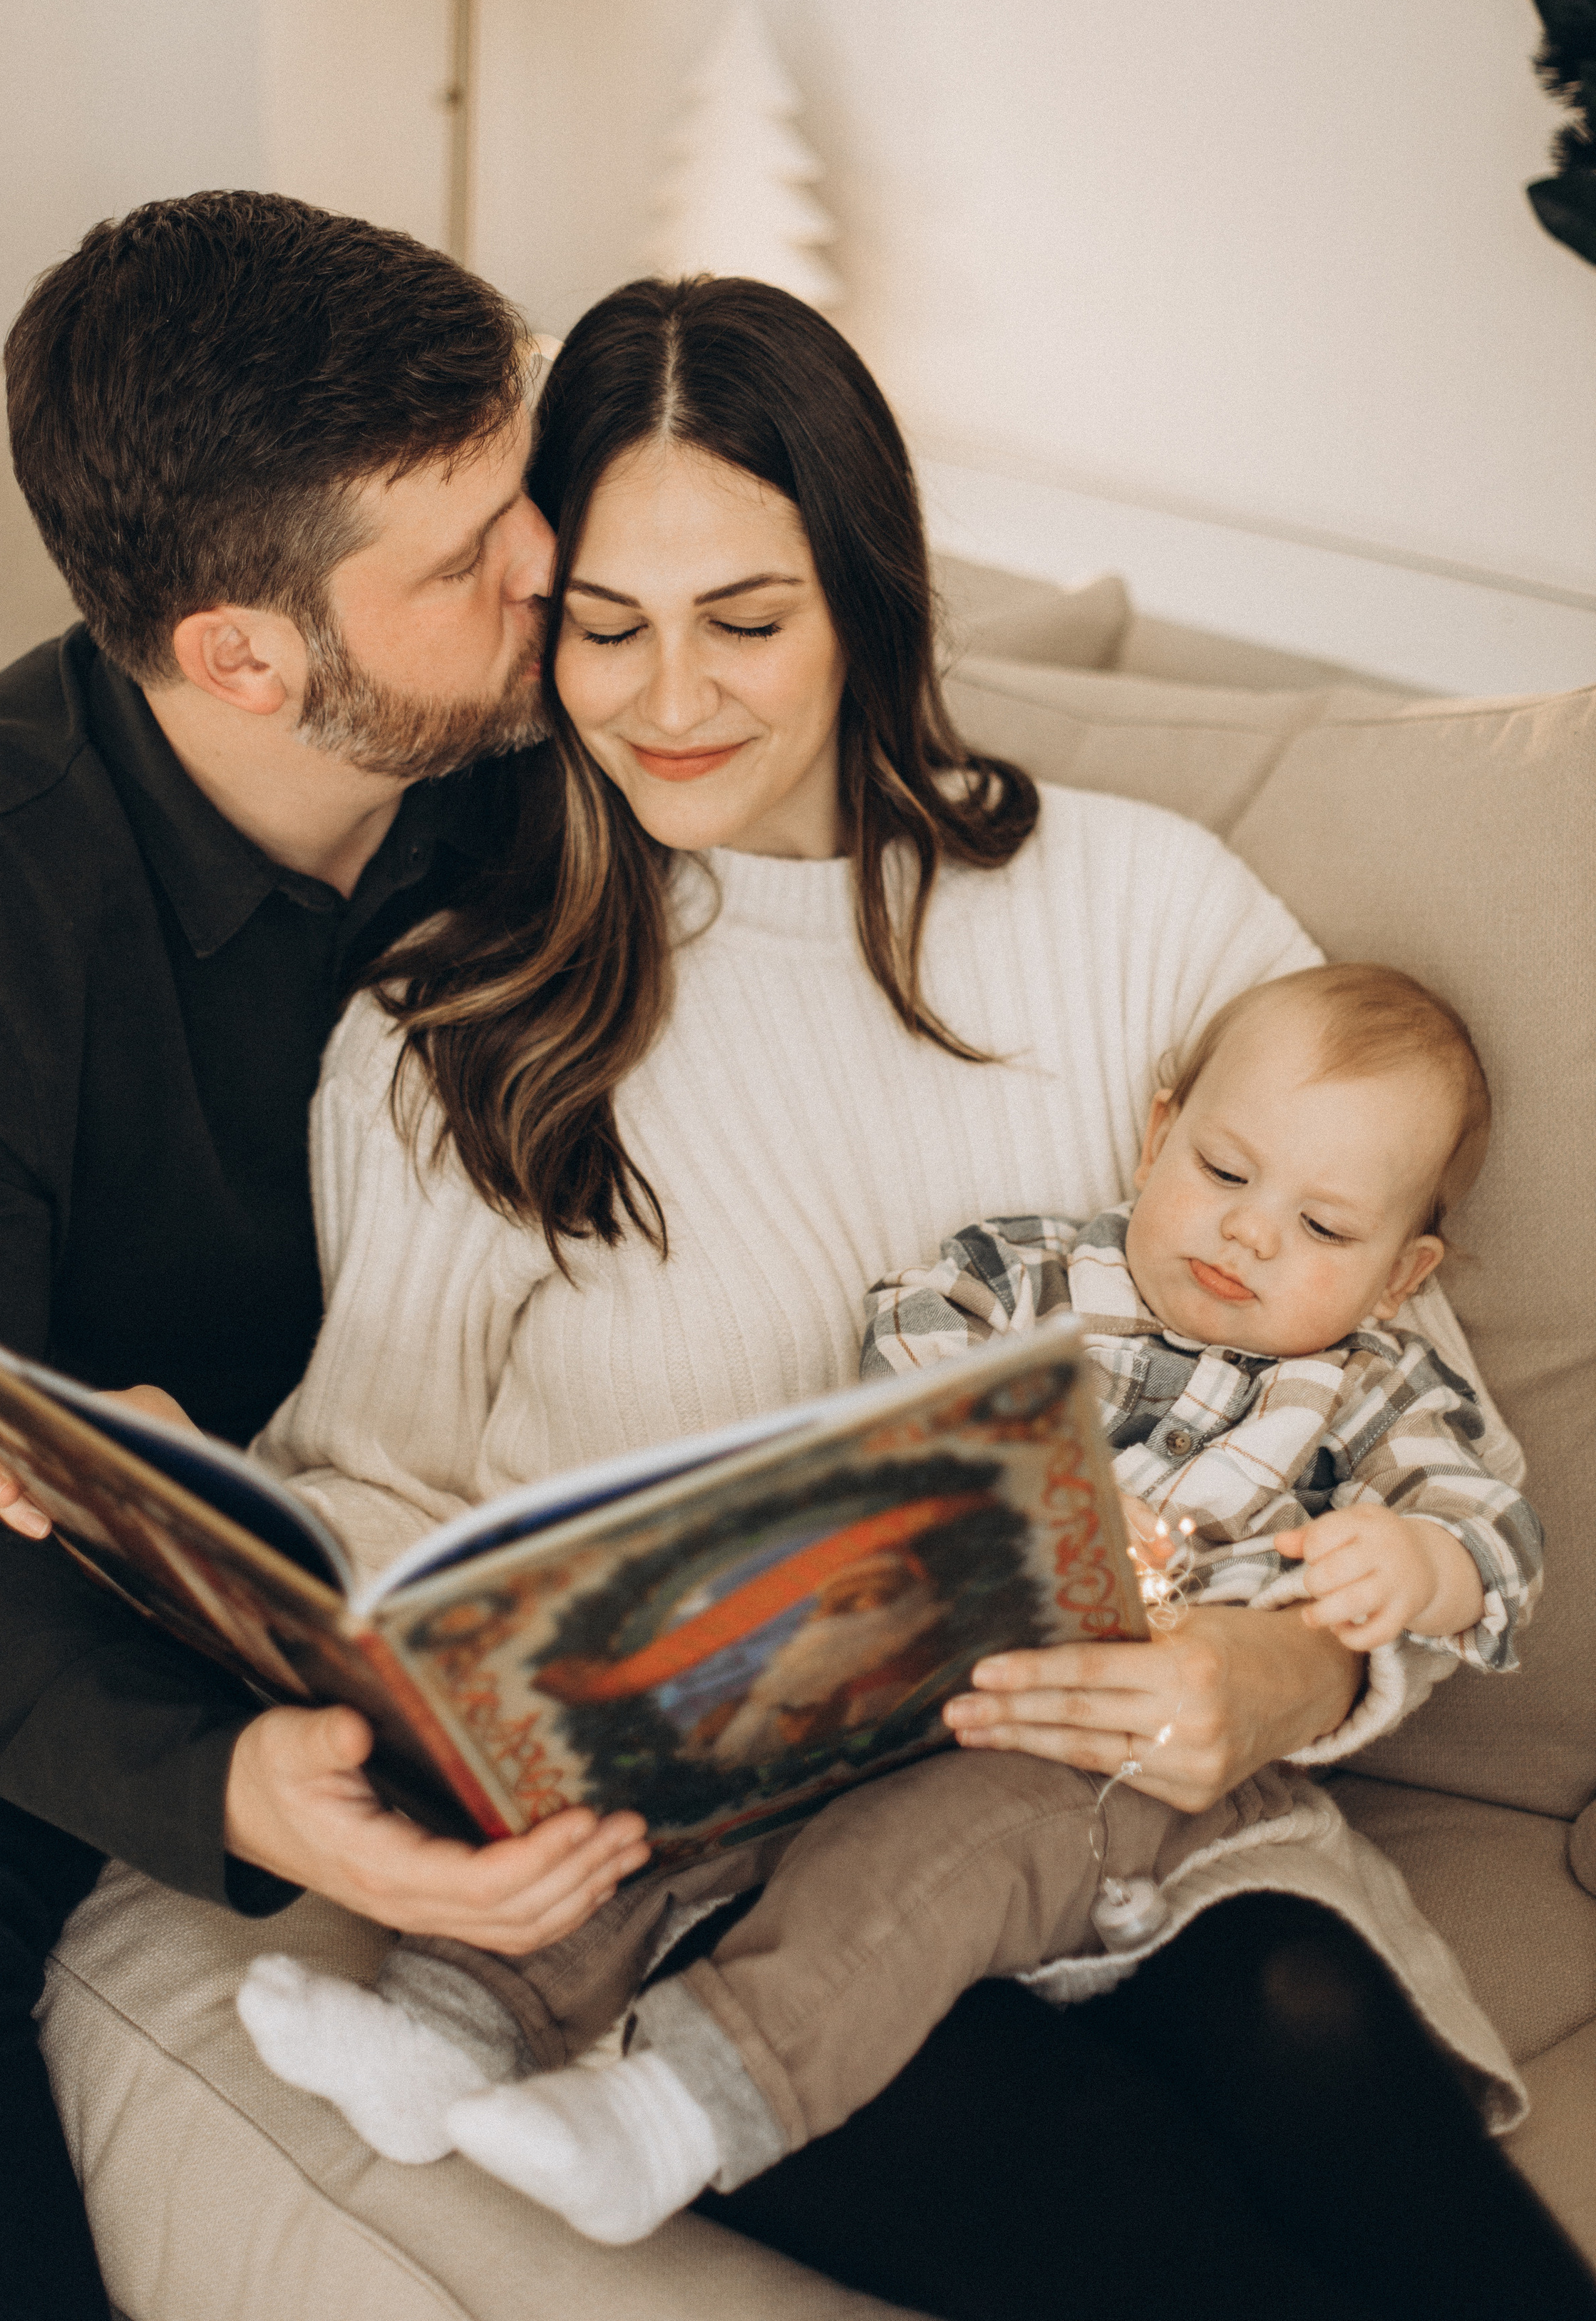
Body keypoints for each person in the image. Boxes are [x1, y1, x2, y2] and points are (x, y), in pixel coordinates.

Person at [192, 273, 1592, 2318]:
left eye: (747, 618)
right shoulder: (453, 1037)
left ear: (867, 597)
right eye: (607, 622)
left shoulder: (1146, 913)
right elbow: (378, 1496)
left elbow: (1400, 1396)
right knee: (1082, 2182)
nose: (673, 695)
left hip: (1144, 1815)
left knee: (1303, 2014)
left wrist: (1282, 1675)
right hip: (738, 1867)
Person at [0, 192, 647, 2321]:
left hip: (455, 1506)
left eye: (519, 490)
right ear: (243, 656)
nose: (553, 565)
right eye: (463, 556)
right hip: (73, 1528)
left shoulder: (578, 755)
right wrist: (222, 1782)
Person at [235, 959, 1541, 2245]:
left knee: (920, 1854)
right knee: (670, 1765)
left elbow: (1489, 1528)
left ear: (1401, 1272)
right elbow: (907, 1391)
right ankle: (448, 2023)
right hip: (907, 1674)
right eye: (1225, 1173)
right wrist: (1029, 1486)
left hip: (1116, 1767)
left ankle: (684, 2106)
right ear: (1159, 1133)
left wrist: (1414, 1563)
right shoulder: (1023, 1277)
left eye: (1324, 1229)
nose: (1252, 1234)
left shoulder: (1373, 1393)